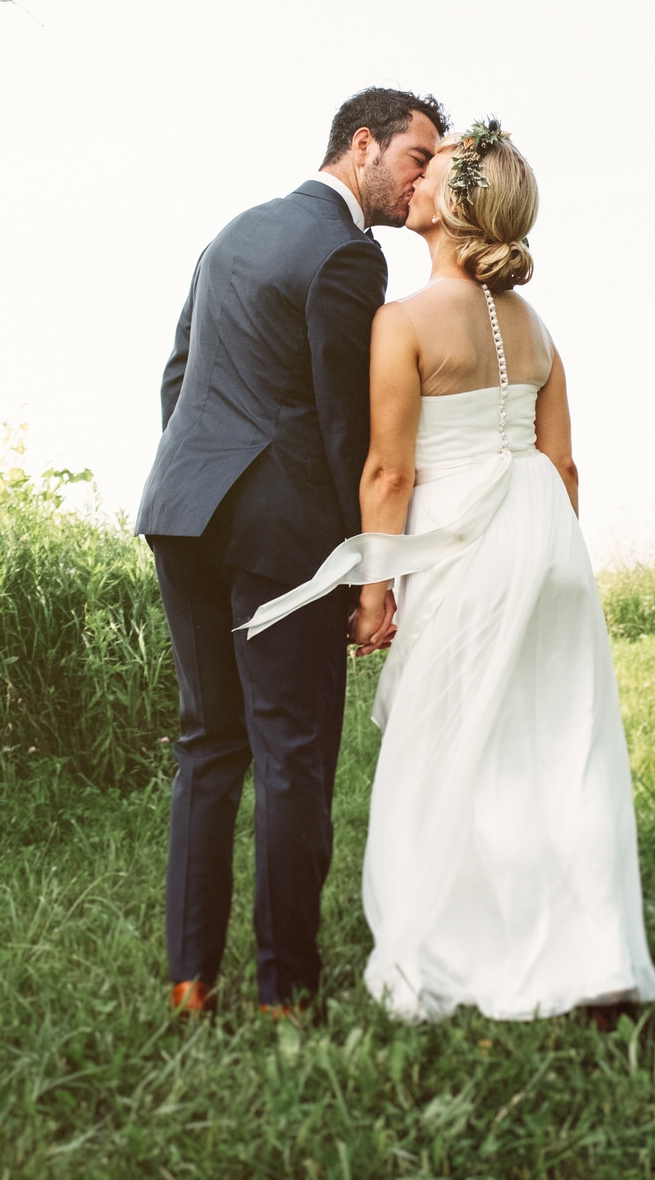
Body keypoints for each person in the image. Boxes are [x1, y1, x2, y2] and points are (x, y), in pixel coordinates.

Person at [243, 121, 655, 1022]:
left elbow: (389, 473)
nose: (420, 177)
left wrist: (372, 591)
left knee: (443, 748)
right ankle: (595, 962)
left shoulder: (403, 323)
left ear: (452, 208)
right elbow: (565, 468)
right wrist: (547, 559)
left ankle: (450, 952)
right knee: (561, 749)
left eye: (436, 172)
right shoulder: (538, 328)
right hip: (546, 544)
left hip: (460, 550)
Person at [135, 88, 447, 1015]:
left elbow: (178, 377)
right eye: (417, 156)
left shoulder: (230, 233)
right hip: (282, 533)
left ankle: (190, 981)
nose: (425, 176)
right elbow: (347, 426)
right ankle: (286, 990)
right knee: (293, 752)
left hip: (182, 509)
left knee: (208, 743)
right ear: (364, 144)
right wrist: (365, 566)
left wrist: (201, 484)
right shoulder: (347, 257)